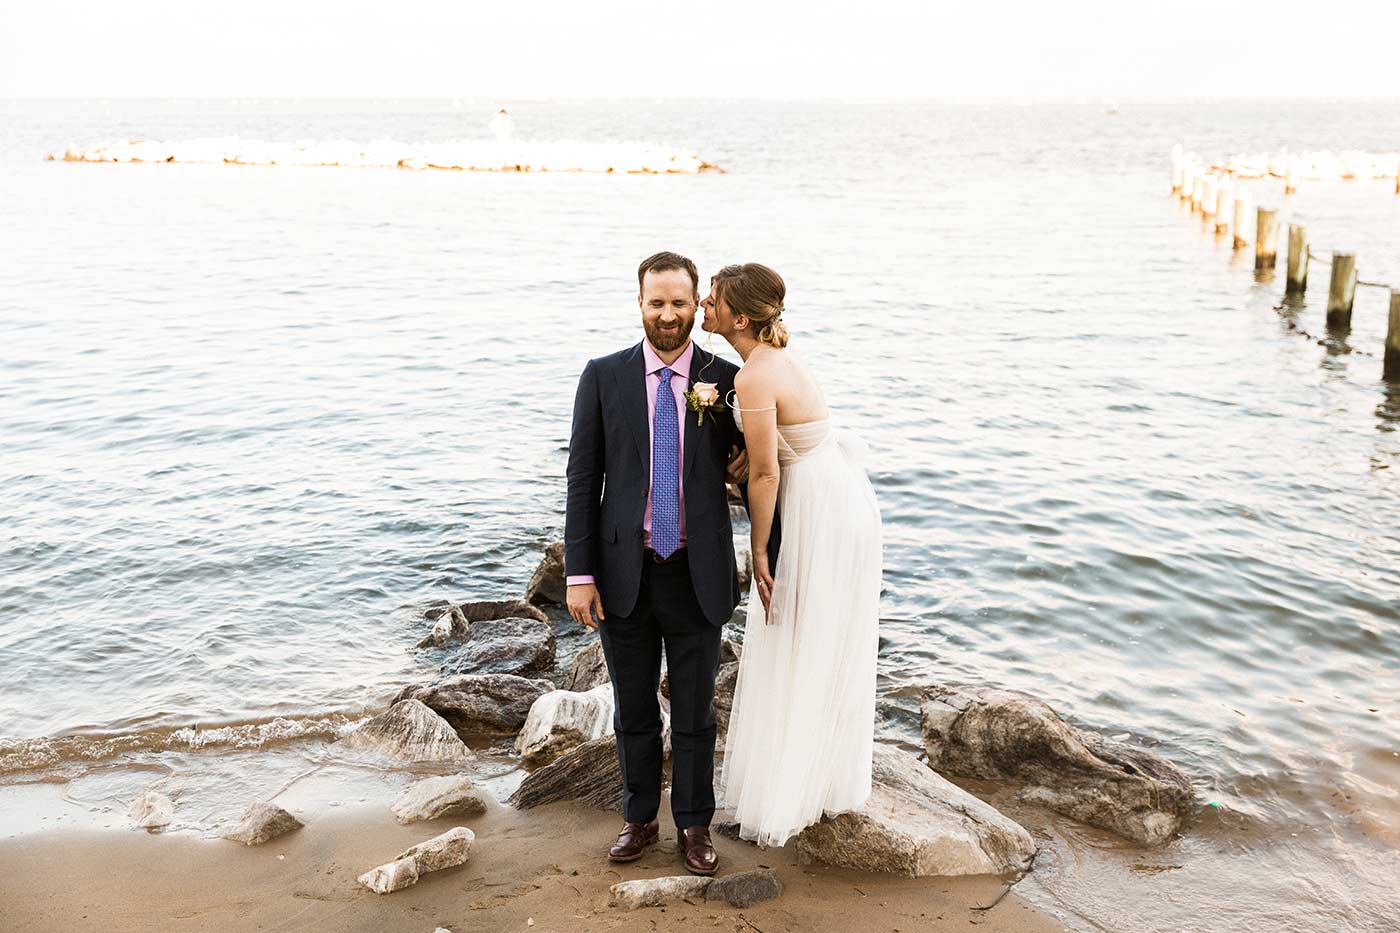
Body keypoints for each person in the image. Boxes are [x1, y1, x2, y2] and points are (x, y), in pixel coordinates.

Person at [563, 251, 751, 876]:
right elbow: (583, 478)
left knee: (696, 713)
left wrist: (750, 465)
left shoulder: (728, 381)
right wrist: (578, 574)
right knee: (635, 707)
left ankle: (695, 827)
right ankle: (638, 818)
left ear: (698, 305)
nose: (667, 315)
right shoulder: (603, 376)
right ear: (638, 302)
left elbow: (759, 469)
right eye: (655, 302)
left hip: (697, 573)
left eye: (678, 303)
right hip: (624, 572)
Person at [703, 262, 883, 847]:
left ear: (741, 317)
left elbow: (763, 472)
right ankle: (813, 778)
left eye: (713, 299)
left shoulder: (756, 375)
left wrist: (757, 549)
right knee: (811, 635)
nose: (706, 305)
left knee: (795, 631)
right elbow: (762, 458)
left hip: (817, 510)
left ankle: (792, 790)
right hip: (830, 494)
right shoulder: (770, 364)